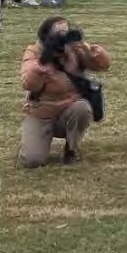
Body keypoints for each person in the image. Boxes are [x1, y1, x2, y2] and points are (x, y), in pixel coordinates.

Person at [19, 16, 111, 166]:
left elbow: (103, 65)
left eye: (66, 31)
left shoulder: (73, 49)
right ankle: (35, 140)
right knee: (32, 161)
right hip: (42, 113)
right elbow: (29, 85)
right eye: (59, 33)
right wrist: (42, 64)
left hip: (69, 109)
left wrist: (92, 51)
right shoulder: (34, 52)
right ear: (46, 35)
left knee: (82, 108)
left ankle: (72, 148)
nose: (64, 36)